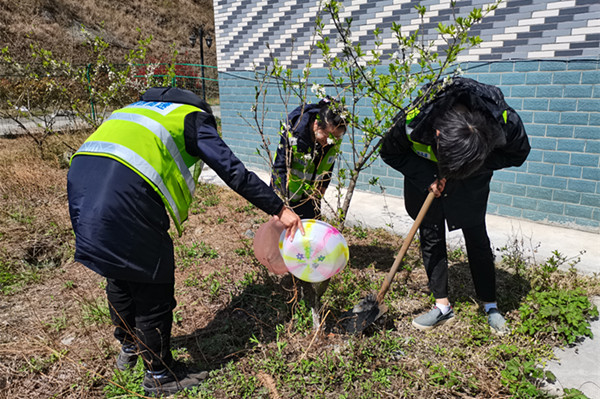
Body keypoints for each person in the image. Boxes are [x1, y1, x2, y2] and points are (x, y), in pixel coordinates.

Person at [67, 87, 303, 396]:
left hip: (80, 184)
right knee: (152, 280)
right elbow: (232, 170)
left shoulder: (136, 110)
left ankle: (129, 346)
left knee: (119, 269)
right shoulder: (191, 118)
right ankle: (159, 374)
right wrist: (278, 208)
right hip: (124, 195)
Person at [380, 77, 530, 335]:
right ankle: (442, 306)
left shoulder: (503, 121)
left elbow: (519, 153)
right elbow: (389, 151)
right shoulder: (412, 120)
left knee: (476, 235)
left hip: (472, 177)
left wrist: (473, 164)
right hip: (425, 178)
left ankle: (490, 305)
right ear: (437, 134)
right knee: (430, 235)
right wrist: (428, 179)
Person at [270, 98, 346, 324]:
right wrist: (282, 202)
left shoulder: (333, 135)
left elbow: (329, 163)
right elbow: (280, 167)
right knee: (288, 235)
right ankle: (291, 280)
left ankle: (308, 272)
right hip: (290, 194)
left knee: (310, 232)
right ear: (315, 126)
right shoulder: (294, 133)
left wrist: (323, 185)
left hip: (311, 193)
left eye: (337, 137)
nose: (331, 141)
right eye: (328, 135)